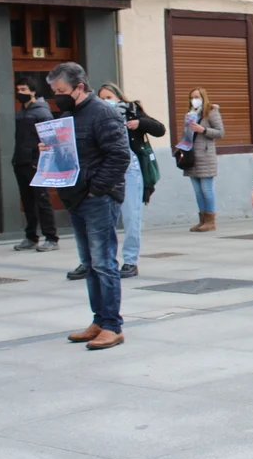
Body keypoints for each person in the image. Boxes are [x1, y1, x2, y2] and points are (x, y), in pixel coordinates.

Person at [48, 63, 131, 350]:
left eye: (61, 90)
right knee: (89, 264)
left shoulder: (103, 113)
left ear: (79, 87)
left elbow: (119, 156)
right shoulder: (67, 115)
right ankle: (99, 320)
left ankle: (112, 326)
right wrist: (47, 152)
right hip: (75, 196)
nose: (57, 96)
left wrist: (96, 189)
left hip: (98, 198)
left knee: (103, 262)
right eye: (54, 91)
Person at [94, 83, 165, 279]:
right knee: (102, 218)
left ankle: (130, 261)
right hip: (106, 171)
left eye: (109, 97)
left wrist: (139, 123)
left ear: (119, 97)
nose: (106, 101)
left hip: (130, 170)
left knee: (132, 216)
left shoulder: (132, 111)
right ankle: (101, 260)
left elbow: (160, 129)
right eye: (102, 98)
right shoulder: (97, 116)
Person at [12, 75, 58, 253]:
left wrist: (40, 161)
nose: (20, 92)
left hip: (36, 163)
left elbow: (50, 140)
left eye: (24, 89)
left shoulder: (42, 112)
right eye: (18, 89)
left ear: (33, 91)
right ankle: (31, 237)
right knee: (27, 202)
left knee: (42, 200)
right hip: (21, 162)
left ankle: (51, 238)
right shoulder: (22, 112)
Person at [183, 87, 225, 232]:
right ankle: (202, 220)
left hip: (206, 156)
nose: (194, 100)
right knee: (197, 191)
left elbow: (220, 132)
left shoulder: (211, 112)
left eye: (197, 97)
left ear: (203, 97)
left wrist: (203, 130)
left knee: (207, 190)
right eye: (191, 97)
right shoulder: (190, 114)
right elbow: (187, 134)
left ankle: (210, 221)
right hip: (191, 156)